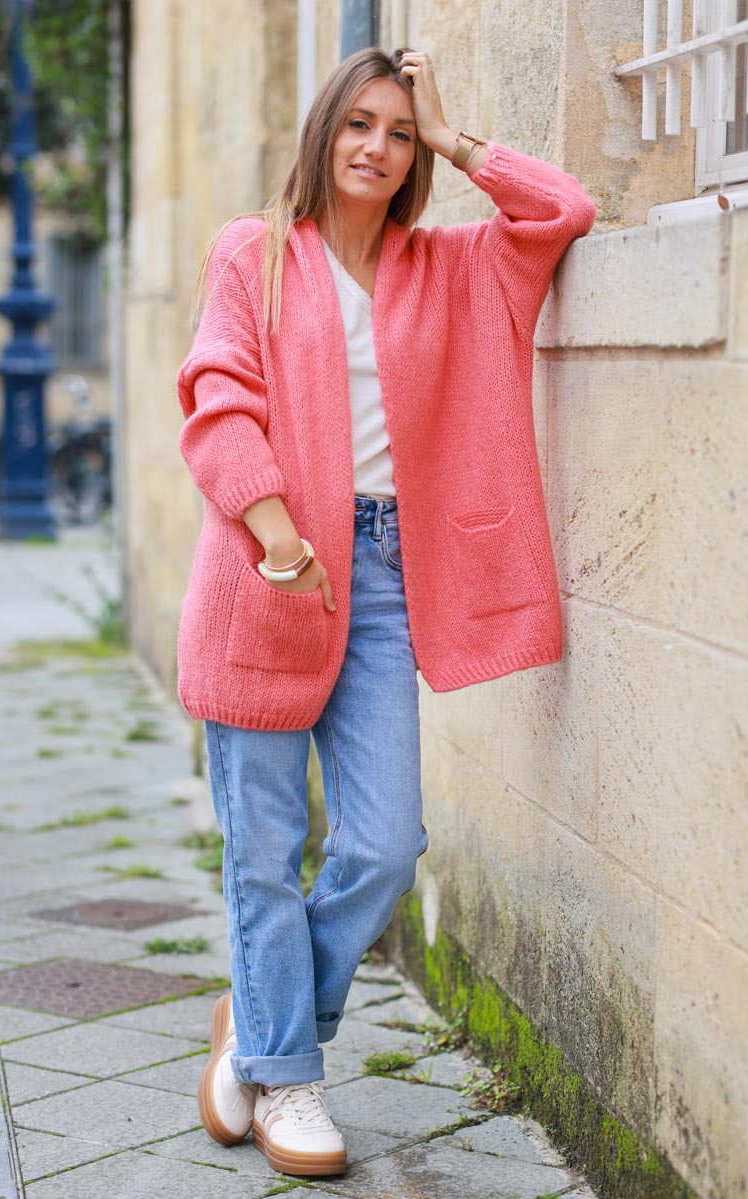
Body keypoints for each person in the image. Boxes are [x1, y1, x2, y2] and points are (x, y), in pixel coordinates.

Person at [176, 45, 596, 1179]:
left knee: (380, 841)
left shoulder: (447, 264)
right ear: (324, 132)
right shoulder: (253, 255)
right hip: (267, 570)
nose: (376, 146)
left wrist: (461, 139)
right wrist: (274, 537)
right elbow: (217, 401)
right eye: (359, 123)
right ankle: (290, 1077)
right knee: (262, 852)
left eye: (399, 132)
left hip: (381, 574)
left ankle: (257, 1029)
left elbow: (564, 208)